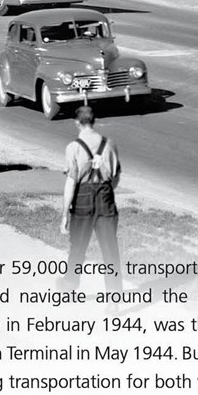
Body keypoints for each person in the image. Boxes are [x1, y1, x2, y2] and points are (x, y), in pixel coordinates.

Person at [60, 106, 123, 293]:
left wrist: (65, 215)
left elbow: (71, 183)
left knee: (78, 246)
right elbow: (116, 176)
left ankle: (70, 284)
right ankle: (114, 298)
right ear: (94, 121)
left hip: (82, 200)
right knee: (110, 250)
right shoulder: (109, 144)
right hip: (105, 198)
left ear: (77, 123)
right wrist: (106, 191)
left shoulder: (73, 148)